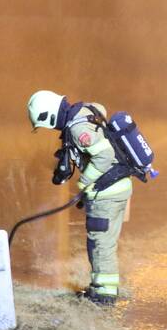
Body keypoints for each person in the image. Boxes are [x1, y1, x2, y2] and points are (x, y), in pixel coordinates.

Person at [27, 90, 132, 305]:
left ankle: (104, 295)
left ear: (49, 116)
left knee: (100, 243)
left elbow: (105, 155)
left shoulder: (77, 127)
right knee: (106, 243)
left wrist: (84, 183)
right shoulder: (85, 110)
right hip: (118, 188)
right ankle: (103, 288)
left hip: (106, 194)